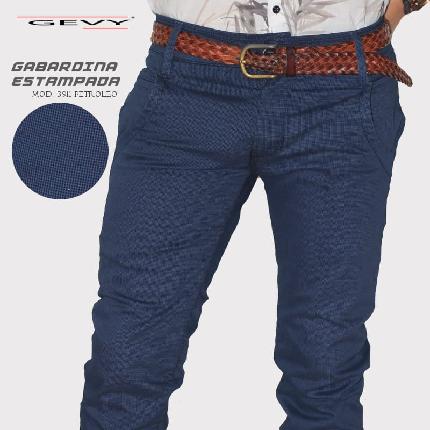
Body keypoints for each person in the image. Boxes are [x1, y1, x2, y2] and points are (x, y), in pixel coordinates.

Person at [80, 1, 428, 429]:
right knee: (129, 353)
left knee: (326, 358)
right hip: (186, 84)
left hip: (341, 87)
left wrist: (394, 14)